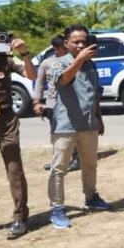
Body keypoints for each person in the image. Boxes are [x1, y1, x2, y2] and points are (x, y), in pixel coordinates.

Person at [48, 25, 111, 229]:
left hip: (88, 125)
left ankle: (91, 197)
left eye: (83, 41)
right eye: (76, 42)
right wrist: (78, 59)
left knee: (90, 164)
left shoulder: (90, 65)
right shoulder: (58, 63)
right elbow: (64, 80)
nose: (81, 45)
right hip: (65, 126)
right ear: (66, 43)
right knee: (59, 168)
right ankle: (57, 208)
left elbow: (94, 95)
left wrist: (99, 118)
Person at [0, 21, 36, 240]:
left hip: (6, 119)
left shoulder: (4, 59)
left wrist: (25, 54)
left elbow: (31, 75)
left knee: (15, 169)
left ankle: (20, 217)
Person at [35, 35, 79, 172]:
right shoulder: (47, 63)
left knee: (73, 131)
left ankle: (76, 159)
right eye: (62, 48)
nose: (65, 50)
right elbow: (40, 83)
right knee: (56, 133)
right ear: (55, 48)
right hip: (52, 103)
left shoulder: (74, 60)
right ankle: (58, 160)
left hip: (71, 102)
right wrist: (37, 101)